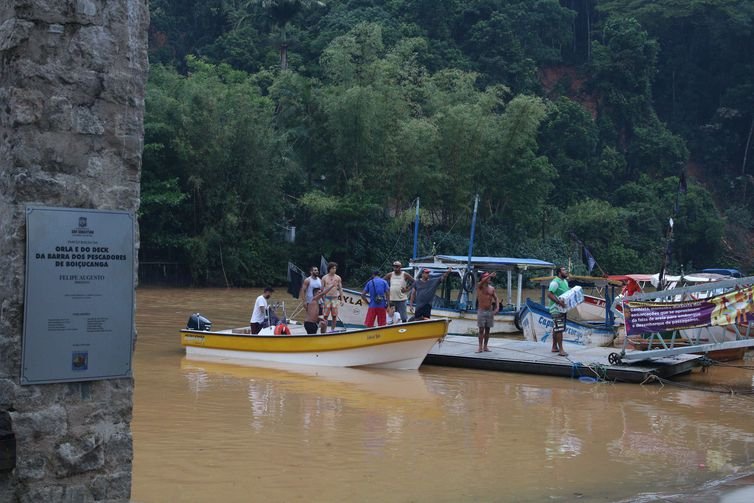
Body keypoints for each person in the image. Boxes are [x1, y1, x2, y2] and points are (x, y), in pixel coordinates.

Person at [547, 266, 570, 356]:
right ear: (559, 273)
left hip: (562, 309)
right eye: (564, 270)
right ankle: (561, 350)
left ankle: (554, 347)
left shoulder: (565, 281)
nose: (566, 271)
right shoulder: (555, 282)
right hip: (556, 309)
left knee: (556, 328)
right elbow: (549, 294)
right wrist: (559, 302)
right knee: (559, 329)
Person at [476, 272, 499, 353]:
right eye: (487, 277)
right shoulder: (480, 286)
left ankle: (485, 346)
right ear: (483, 278)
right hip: (481, 310)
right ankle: (480, 347)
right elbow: (482, 282)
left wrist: (497, 307)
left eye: (489, 277)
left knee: (488, 329)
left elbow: (496, 298)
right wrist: (489, 275)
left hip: (489, 311)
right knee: (481, 329)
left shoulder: (492, 288)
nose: (489, 278)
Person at [321, 261, 344, 332]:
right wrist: (322, 299)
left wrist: (342, 299)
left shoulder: (338, 278)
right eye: (333, 268)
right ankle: (323, 330)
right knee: (325, 316)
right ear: (330, 269)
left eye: (335, 268)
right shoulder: (324, 277)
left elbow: (340, 289)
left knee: (334, 315)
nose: (335, 269)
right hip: (327, 298)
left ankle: (332, 330)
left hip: (334, 299)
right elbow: (321, 290)